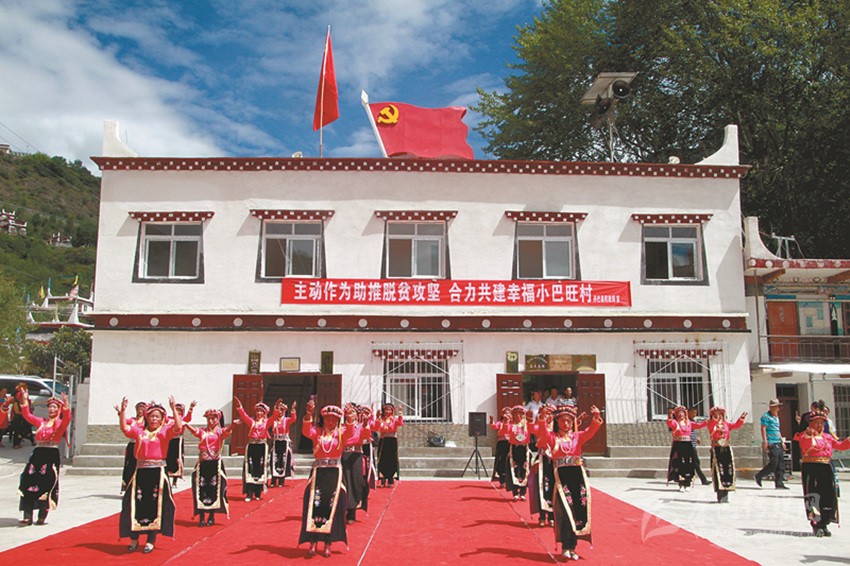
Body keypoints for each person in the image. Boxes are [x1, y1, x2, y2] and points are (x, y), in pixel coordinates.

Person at [116, 397, 183, 554]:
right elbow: (125, 429)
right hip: (140, 472)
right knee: (134, 504)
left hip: (157, 473)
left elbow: (178, 427)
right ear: (147, 417)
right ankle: (134, 539)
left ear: (161, 419)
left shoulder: (164, 432)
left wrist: (173, 408)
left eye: (157, 417)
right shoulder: (139, 431)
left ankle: (150, 540)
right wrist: (123, 411)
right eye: (152, 416)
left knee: (155, 506)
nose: (154, 419)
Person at [536, 404, 603, 561]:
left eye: (568, 421)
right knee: (566, 511)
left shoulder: (578, 436)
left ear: (572, 422)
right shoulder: (553, 438)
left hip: (577, 477)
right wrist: (542, 417)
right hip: (561, 478)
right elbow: (542, 433)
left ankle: (573, 547)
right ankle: (566, 546)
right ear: (557, 422)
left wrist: (596, 417)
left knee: (578, 510)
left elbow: (591, 431)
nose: (565, 424)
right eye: (562, 421)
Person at [299, 401, 357, 557]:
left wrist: (350, 418)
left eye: (334, 419)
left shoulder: (341, 433)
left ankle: (327, 543)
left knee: (333, 507)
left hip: (334, 474)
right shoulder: (317, 432)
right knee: (314, 505)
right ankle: (312, 542)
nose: (330, 421)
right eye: (327, 418)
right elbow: (306, 430)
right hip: (318, 473)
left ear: (338, 420)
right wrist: (308, 414)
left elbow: (351, 432)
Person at [17, 391, 71, 525]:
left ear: (58, 409)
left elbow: (67, 418)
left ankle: (42, 515)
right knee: (29, 482)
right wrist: (25, 400)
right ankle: (27, 515)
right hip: (38, 454)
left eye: (54, 407)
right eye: (50, 407)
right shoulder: (41, 422)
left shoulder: (60, 424)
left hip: (51, 455)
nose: (51, 409)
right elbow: (27, 415)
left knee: (46, 484)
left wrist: (66, 404)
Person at [793, 407, 850, 537]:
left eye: (821, 423)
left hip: (825, 467)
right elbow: (805, 445)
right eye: (816, 423)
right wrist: (809, 434)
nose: (819, 425)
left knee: (828, 495)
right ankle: (816, 523)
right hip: (811, 468)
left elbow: (840, 446)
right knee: (814, 494)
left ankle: (825, 522)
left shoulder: (827, 437)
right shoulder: (805, 435)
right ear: (811, 423)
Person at [185, 409, 239, 527]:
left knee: (214, 489)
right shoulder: (202, 432)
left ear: (218, 419)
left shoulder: (220, 432)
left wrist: (233, 425)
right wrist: (185, 424)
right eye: (208, 419)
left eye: (213, 418)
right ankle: (201, 517)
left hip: (215, 464)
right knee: (201, 489)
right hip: (203, 464)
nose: (210, 421)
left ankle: (211, 516)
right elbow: (194, 431)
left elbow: (228, 430)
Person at [234, 396, 279, 501]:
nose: (259, 413)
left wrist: (276, 407)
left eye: (261, 411)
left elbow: (274, 417)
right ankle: (249, 493)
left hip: (262, 447)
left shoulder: (267, 422)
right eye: (258, 411)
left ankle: (258, 492)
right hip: (252, 447)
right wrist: (239, 406)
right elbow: (244, 416)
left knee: (260, 468)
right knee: (250, 468)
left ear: (264, 413)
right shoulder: (252, 422)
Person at [705, 406, 747, 503]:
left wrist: (741, 419)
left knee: (728, 469)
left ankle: (726, 491)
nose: (719, 415)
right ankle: (720, 493)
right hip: (717, 449)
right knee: (718, 470)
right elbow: (711, 426)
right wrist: (715, 420)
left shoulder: (726, 424)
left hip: (726, 449)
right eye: (716, 413)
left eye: (720, 413)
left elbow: (736, 425)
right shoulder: (711, 424)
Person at [341, 404, 372, 523]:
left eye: (353, 412)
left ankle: (352, 510)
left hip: (356, 457)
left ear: (357, 415)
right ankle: (345, 510)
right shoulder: (341, 427)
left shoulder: (361, 427)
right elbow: (345, 436)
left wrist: (365, 423)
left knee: (356, 482)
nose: (350, 414)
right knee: (345, 482)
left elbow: (366, 435)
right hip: (344, 456)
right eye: (348, 412)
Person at [528, 403, 556, 527]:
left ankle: (552, 516)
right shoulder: (539, 427)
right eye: (546, 413)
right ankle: (542, 515)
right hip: (542, 459)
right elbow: (530, 429)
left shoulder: (557, 429)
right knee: (541, 487)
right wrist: (530, 420)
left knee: (554, 487)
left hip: (555, 461)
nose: (548, 416)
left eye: (551, 414)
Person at [666, 405, 703, 491]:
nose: (680, 414)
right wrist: (670, 415)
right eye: (678, 413)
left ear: (685, 414)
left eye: (682, 413)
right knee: (679, 464)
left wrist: (710, 421)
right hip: (678, 445)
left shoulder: (689, 423)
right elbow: (669, 423)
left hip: (687, 445)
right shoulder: (675, 423)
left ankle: (687, 483)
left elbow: (699, 425)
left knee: (688, 464)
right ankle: (681, 484)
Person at [754, 398, 788, 489]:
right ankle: (760, 475)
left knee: (780, 462)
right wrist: (765, 441)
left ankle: (779, 482)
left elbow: (778, 430)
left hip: (778, 441)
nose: (777, 408)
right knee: (774, 462)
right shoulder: (766, 416)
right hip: (771, 442)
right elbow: (763, 429)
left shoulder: (776, 417)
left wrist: (782, 441)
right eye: (776, 407)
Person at [165, 401, 195, 487]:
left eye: (179, 410)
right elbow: (163, 417)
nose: (178, 411)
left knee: (178, 459)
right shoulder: (169, 419)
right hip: (169, 440)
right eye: (176, 409)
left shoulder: (183, 419)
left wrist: (191, 408)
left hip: (178, 440)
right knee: (168, 458)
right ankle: (167, 479)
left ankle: (175, 481)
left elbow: (188, 418)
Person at [505, 404, 532, 501]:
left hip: (524, 449)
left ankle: (523, 492)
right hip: (514, 449)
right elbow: (505, 431)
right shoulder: (511, 425)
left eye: (520, 414)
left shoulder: (527, 425)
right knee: (515, 469)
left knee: (525, 469)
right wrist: (506, 422)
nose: (518, 416)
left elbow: (535, 429)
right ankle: (515, 492)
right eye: (516, 414)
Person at [374, 403, 403, 487]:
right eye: (386, 409)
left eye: (389, 410)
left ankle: (391, 478)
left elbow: (400, 423)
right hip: (383, 441)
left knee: (392, 459)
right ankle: (382, 478)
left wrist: (400, 413)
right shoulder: (381, 419)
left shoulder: (394, 420)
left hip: (392, 441)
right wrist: (376, 417)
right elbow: (376, 427)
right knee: (382, 459)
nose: (387, 411)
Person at [269, 400, 297, 488]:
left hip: (284, 442)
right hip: (276, 442)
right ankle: (273, 480)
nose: (280, 412)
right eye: (279, 410)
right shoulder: (273, 420)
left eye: (282, 410)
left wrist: (293, 410)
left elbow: (293, 419)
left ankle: (281, 480)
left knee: (283, 461)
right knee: (274, 460)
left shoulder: (287, 420)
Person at [122, 402, 147, 493]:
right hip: (132, 445)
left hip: (142, 445)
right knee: (130, 466)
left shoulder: (146, 422)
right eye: (138, 409)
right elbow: (124, 422)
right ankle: (127, 487)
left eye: (142, 409)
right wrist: (122, 412)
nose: (140, 411)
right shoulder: (133, 420)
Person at [687, 407, 711, 486]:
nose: (695, 414)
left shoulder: (692, 421)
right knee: (696, 462)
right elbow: (697, 426)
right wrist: (706, 422)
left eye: (695, 413)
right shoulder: (687, 421)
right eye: (693, 413)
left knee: (695, 462)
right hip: (689, 444)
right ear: (688, 412)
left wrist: (696, 438)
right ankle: (703, 479)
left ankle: (690, 478)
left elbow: (692, 430)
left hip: (693, 444)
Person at [489, 408, 511, 487]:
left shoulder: (513, 424)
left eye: (508, 413)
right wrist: (492, 421)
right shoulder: (500, 423)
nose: (507, 415)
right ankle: (502, 479)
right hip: (502, 444)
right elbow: (494, 426)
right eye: (505, 413)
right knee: (501, 461)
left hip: (510, 444)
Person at [11, 383, 35, 449]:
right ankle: (15, 444)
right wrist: (24, 413)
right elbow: (17, 412)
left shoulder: (24, 403)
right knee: (17, 432)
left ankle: (19, 443)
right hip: (17, 419)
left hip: (22, 419)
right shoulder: (16, 403)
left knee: (22, 431)